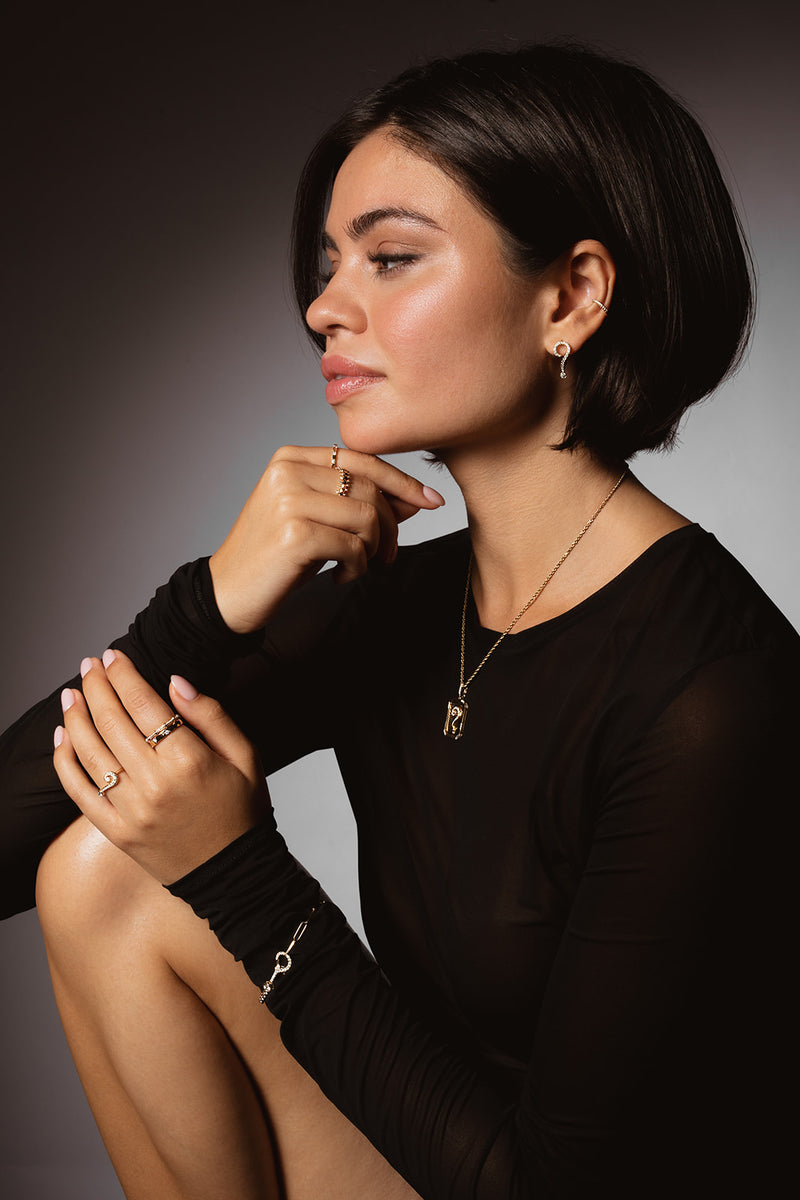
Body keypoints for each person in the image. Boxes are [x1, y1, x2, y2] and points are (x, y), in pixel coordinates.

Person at [1, 42, 796, 1200]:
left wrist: (237, 875)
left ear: (571, 296)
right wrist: (209, 603)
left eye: (389, 257)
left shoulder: (713, 691)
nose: (324, 306)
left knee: (153, 869)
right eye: (329, 265)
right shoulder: (396, 611)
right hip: (436, 1162)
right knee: (97, 872)